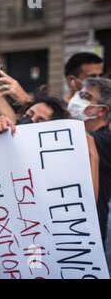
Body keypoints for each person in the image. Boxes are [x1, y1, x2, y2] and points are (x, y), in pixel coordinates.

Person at [0, 95, 100, 279]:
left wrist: (93, 157)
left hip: (36, 255)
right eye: (29, 114)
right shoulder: (1, 145)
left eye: (40, 120)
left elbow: (86, 207)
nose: (31, 121)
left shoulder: (57, 167)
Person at [67, 77, 111, 245]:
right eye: (78, 94)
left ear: (101, 111)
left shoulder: (103, 142)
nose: (77, 100)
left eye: (85, 97)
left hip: (88, 235)